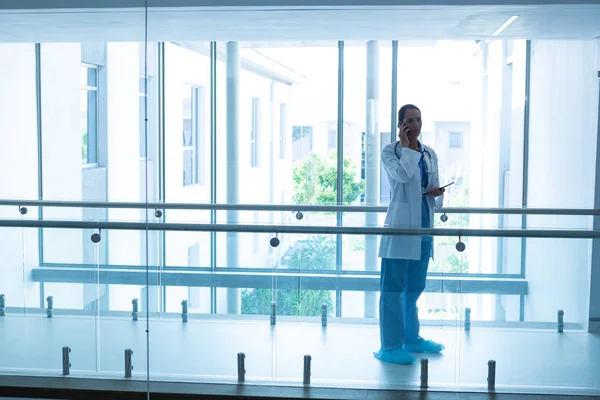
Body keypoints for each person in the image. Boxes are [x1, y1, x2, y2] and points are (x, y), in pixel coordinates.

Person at [374, 104, 446, 365]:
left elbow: (428, 186)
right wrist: (406, 146)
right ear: (400, 125)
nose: (416, 125)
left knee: (414, 288)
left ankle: (411, 338)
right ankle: (390, 346)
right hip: (400, 226)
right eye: (410, 121)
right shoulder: (390, 152)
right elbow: (403, 176)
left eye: (418, 120)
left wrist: (436, 191)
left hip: (425, 225)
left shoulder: (429, 152)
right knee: (393, 289)